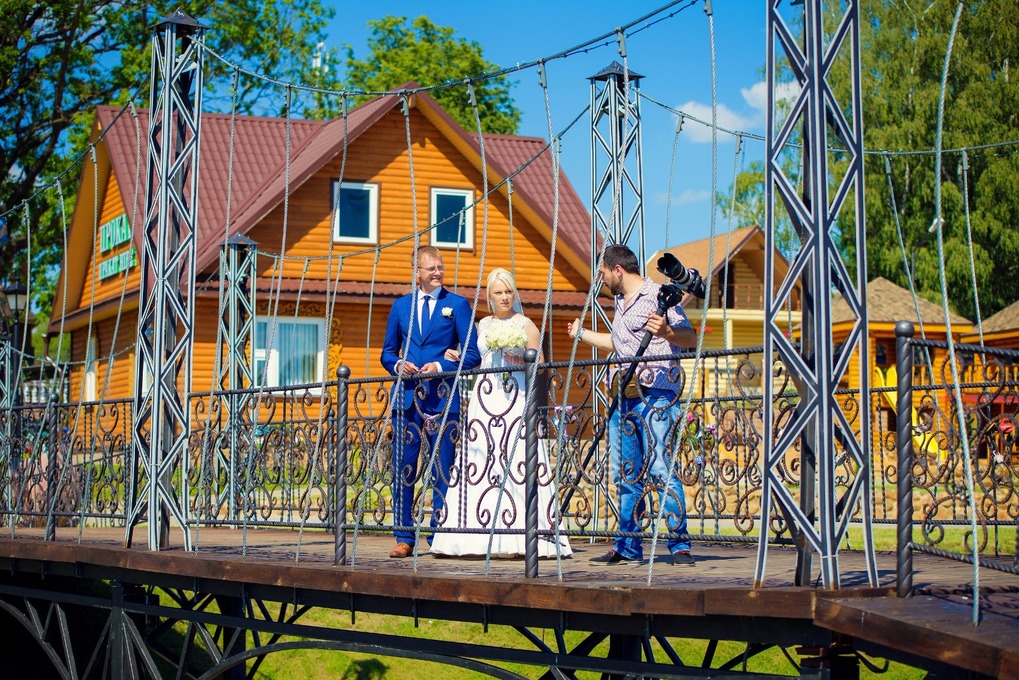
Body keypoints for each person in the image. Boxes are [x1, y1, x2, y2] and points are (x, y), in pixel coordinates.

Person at [567, 244, 697, 566]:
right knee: (626, 473)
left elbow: (689, 337)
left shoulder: (657, 295)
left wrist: (667, 330)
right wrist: (581, 334)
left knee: (661, 468)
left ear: (618, 270)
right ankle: (628, 545)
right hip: (625, 397)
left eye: (603, 273)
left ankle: (679, 544)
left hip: (656, 395)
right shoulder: (622, 303)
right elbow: (617, 343)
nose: (602, 279)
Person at [431, 268, 572, 558]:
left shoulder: (526, 324)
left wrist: (516, 358)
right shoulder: (482, 324)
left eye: (508, 291)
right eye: (499, 292)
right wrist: (458, 356)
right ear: (490, 296)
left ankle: (522, 536)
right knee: (479, 459)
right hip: (485, 399)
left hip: (514, 398)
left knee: (516, 457)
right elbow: (478, 358)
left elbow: (540, 365)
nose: (505, 297)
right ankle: (473, 536)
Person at [380, 246, 481, 558]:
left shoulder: (457, 305)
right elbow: (387, 352)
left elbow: (473, 354)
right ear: (418, 273)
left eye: (440, 267)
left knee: (441, 468)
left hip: (443, 398)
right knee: (404, 467)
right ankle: (403, 537)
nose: (438, 273)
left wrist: (440, 365)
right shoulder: (400, 307)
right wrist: (399, 365)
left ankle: (439, 535)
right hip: (407, 398)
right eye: (431, 268)